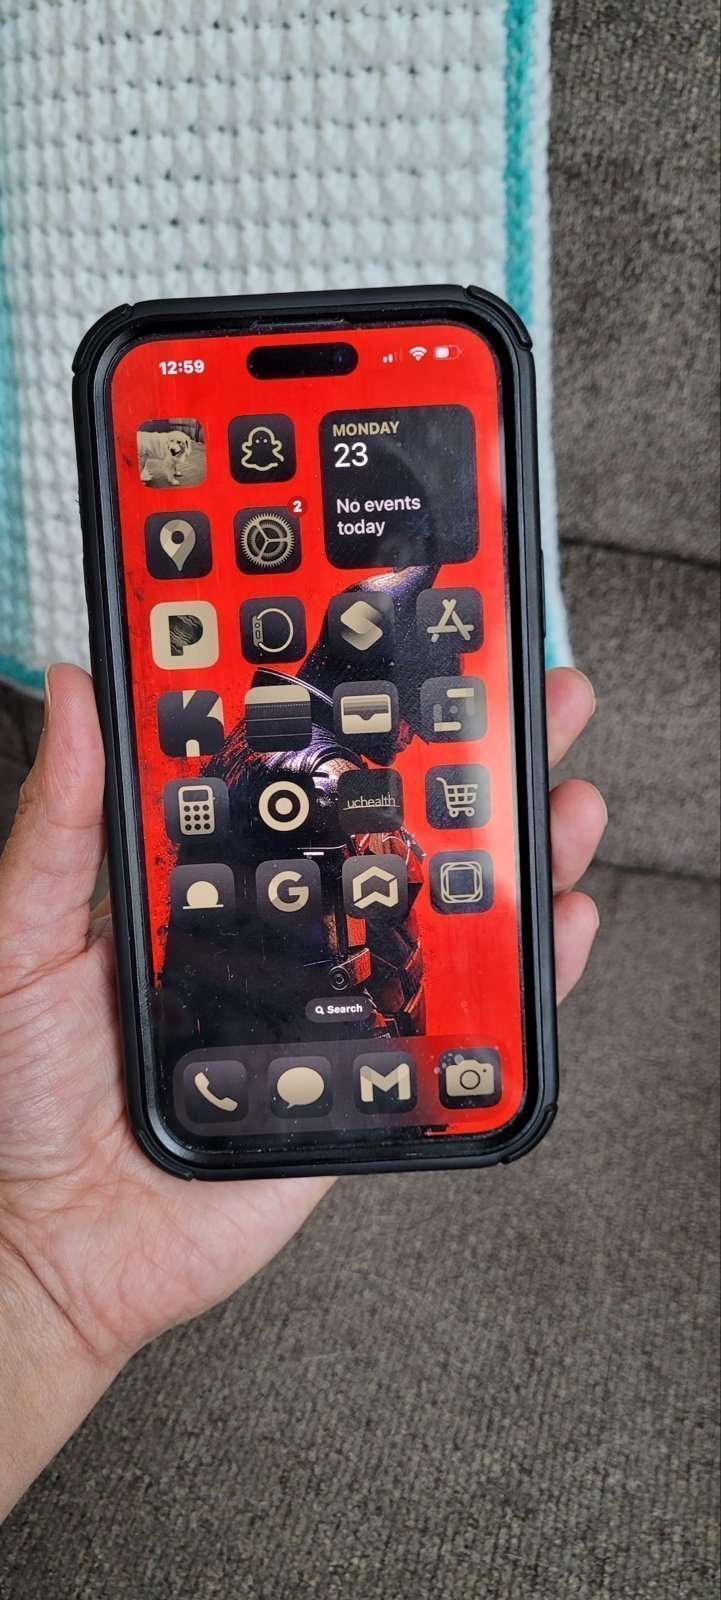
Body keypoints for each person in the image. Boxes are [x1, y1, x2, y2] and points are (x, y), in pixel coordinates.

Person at [0, 663, 606, 1520]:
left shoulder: (279, 741)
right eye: (407, 696)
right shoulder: (312, 757)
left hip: (261, 1024)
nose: (413, 723)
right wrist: (32, 1267)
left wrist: (37, 1280)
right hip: (283, 1019)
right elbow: (344, 846)